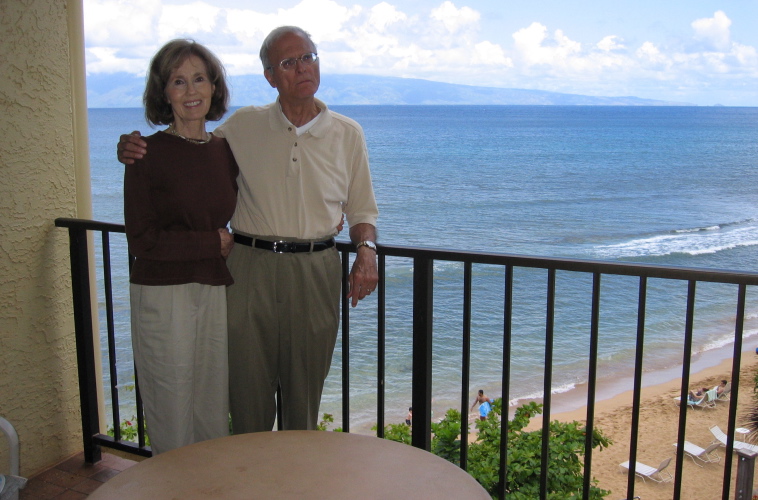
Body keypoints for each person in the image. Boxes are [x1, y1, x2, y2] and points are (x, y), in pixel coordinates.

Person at [118, 26, 379, 434]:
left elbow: (363, 209)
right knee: (246, 396)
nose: (302, 68)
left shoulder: (348, 133)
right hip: (248, 267)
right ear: (270, 77)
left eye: (308, 57)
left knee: (303, 398)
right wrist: (132, 146)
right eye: (288, 63)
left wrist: (366, 251)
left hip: (316, 271)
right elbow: (188, 145)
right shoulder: (241, 127)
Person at [124, 39, 239, 454]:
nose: (191, 91)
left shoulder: (224, 150)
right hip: (163, 292)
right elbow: (142, 239)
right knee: (171, 408)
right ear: (164, 93)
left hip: (212, 289)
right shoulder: (145, 153)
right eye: (178, 81)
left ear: (213, 87)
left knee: (211, 406)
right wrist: (210, 241)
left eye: (199, 79)